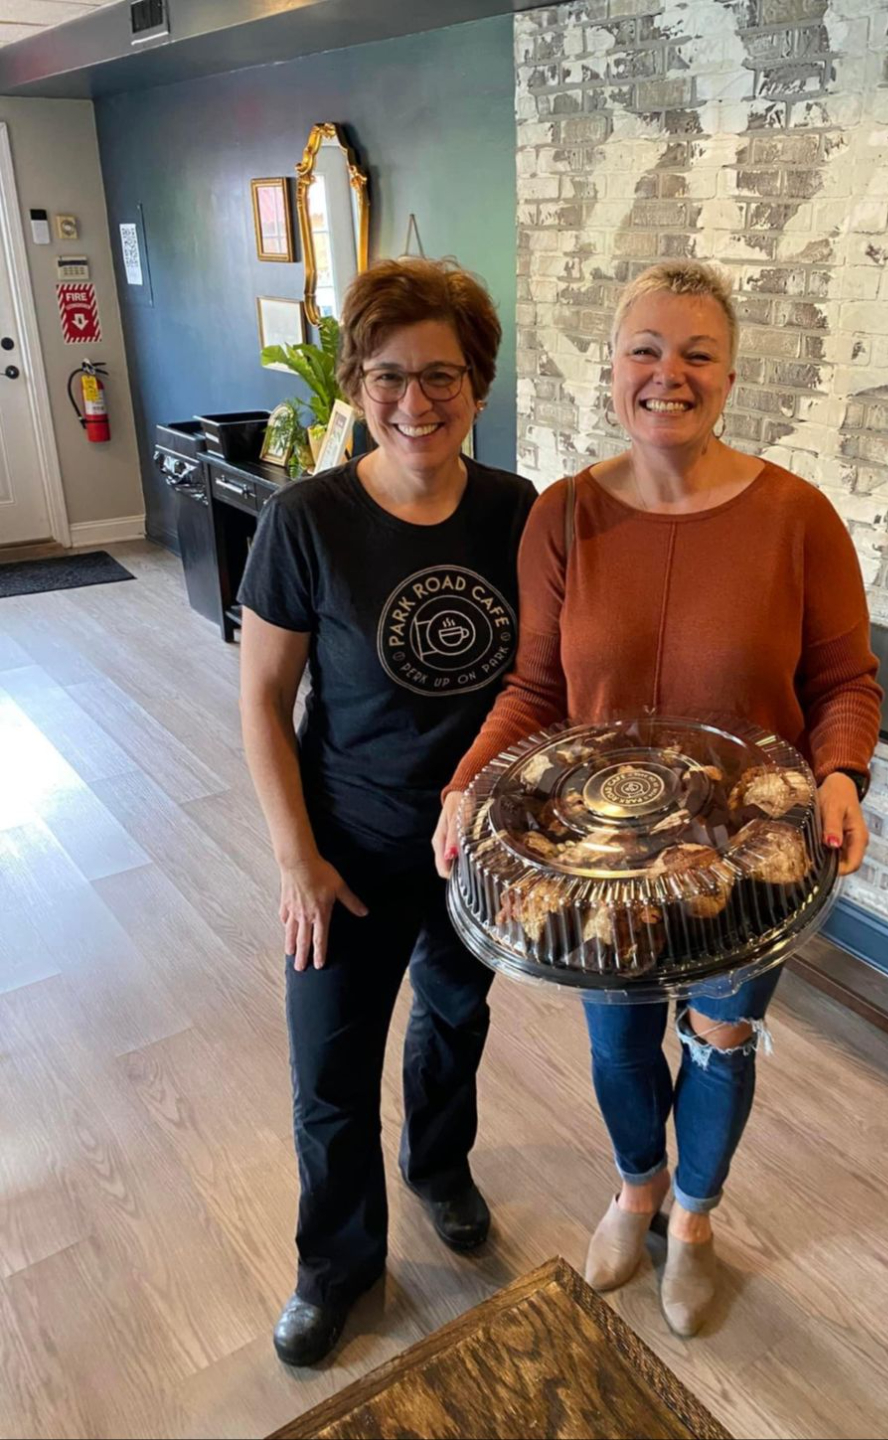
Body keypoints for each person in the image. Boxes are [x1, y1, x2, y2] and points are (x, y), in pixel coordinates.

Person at [435, 259, 881, 1338]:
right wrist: (465, 786)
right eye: (644, 349)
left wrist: (839, 772)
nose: (666, 374)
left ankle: (692, 1216)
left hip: (751, 862)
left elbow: (845, 682)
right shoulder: (562, 517)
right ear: (612, 366)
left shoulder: (797, 517)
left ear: (729, 376)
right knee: (620, 1045)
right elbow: (536, 689)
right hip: (601, 870)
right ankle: (635, 1188)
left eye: (696, 354)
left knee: (720, 1041)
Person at [239, 257, 535, 1366]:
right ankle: (337, 1264)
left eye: (441, 376)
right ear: (357, 383)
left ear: (477, 384)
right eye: (388, 376)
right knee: (329, 1068)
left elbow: (539, 680)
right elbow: (262, 702)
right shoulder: (306, 520)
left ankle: (439, 1166)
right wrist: (295, 860)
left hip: (474, 850)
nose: (415, 402)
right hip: (346, 848)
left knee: (454, 1021)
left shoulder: (516, 513)